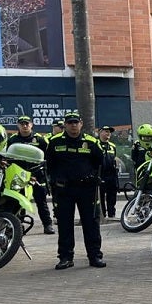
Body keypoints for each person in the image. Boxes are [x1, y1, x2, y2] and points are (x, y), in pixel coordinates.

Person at [44, 112, 105, 269]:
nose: (73, 125)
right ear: (65, 124)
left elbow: (100, 161)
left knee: (91, 224)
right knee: (64, 224)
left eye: (75, 122)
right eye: (70, 122)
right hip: (64, 190)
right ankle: (65, 257)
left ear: (81, 123)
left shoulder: (91, 142)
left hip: (87, 189)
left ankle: (94, 256)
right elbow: (49, 164)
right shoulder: (54, 142)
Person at [8, 116, 54, 234]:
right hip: (19, 175)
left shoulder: (40, 139)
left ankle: (48, 225)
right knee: (18, 202)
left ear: (31, 125)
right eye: (22, 124)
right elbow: (7, 157)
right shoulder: (12, 139)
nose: (24, 126)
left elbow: (48, 156)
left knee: (41, 202)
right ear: (18, 125)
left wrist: (46, 172)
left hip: (37, 175)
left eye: (27, 123)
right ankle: (18, 226)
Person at [96, 125, 119, 219]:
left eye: (109, 132)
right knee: (100, 195)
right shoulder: (95, 144)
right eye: (106, 131)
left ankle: (111, 214)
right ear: (100, 132)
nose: (108, 133)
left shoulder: (112, 146)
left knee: (112, 195)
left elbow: (114, 158)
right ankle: (102, 214)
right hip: (101, 174)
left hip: (111, 174)